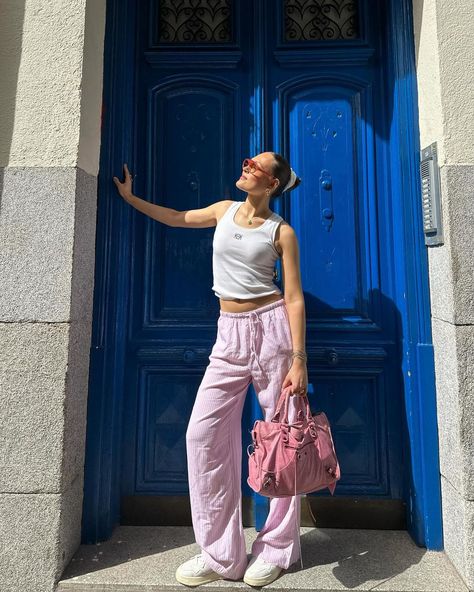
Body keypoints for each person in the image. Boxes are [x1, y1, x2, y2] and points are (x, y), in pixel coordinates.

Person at [113, 153, 307, 587]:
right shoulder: (223, 210)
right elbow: (178, 217)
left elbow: (293, 297)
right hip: (229, 333)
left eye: (255, 165)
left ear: (272, 183)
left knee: (284, 438)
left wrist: (299, 358)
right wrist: (131, 199)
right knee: (202, 434)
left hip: (272, 330)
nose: (245, 166)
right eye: (246, 161)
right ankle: (220, 553)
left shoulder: (283, 232)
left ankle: (276, 549)